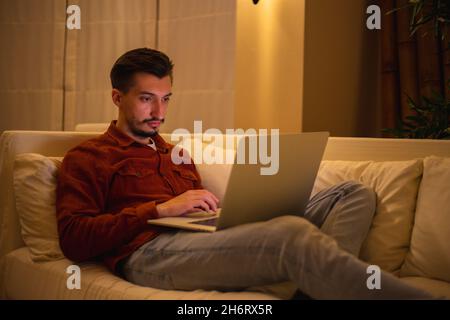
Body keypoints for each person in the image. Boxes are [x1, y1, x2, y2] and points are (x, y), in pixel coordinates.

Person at [56, 48, 433, 299]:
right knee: (290, 234)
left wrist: (243, 208)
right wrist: (159, 209)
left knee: (354, 193)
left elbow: (201, 212)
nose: (159, 110)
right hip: (149, 254)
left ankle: (311, 291)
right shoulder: (89, 157)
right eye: (146, 98)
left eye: (166, 98)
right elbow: (74, 238)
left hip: (204, 238)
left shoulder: (175, 154)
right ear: (117, 98)